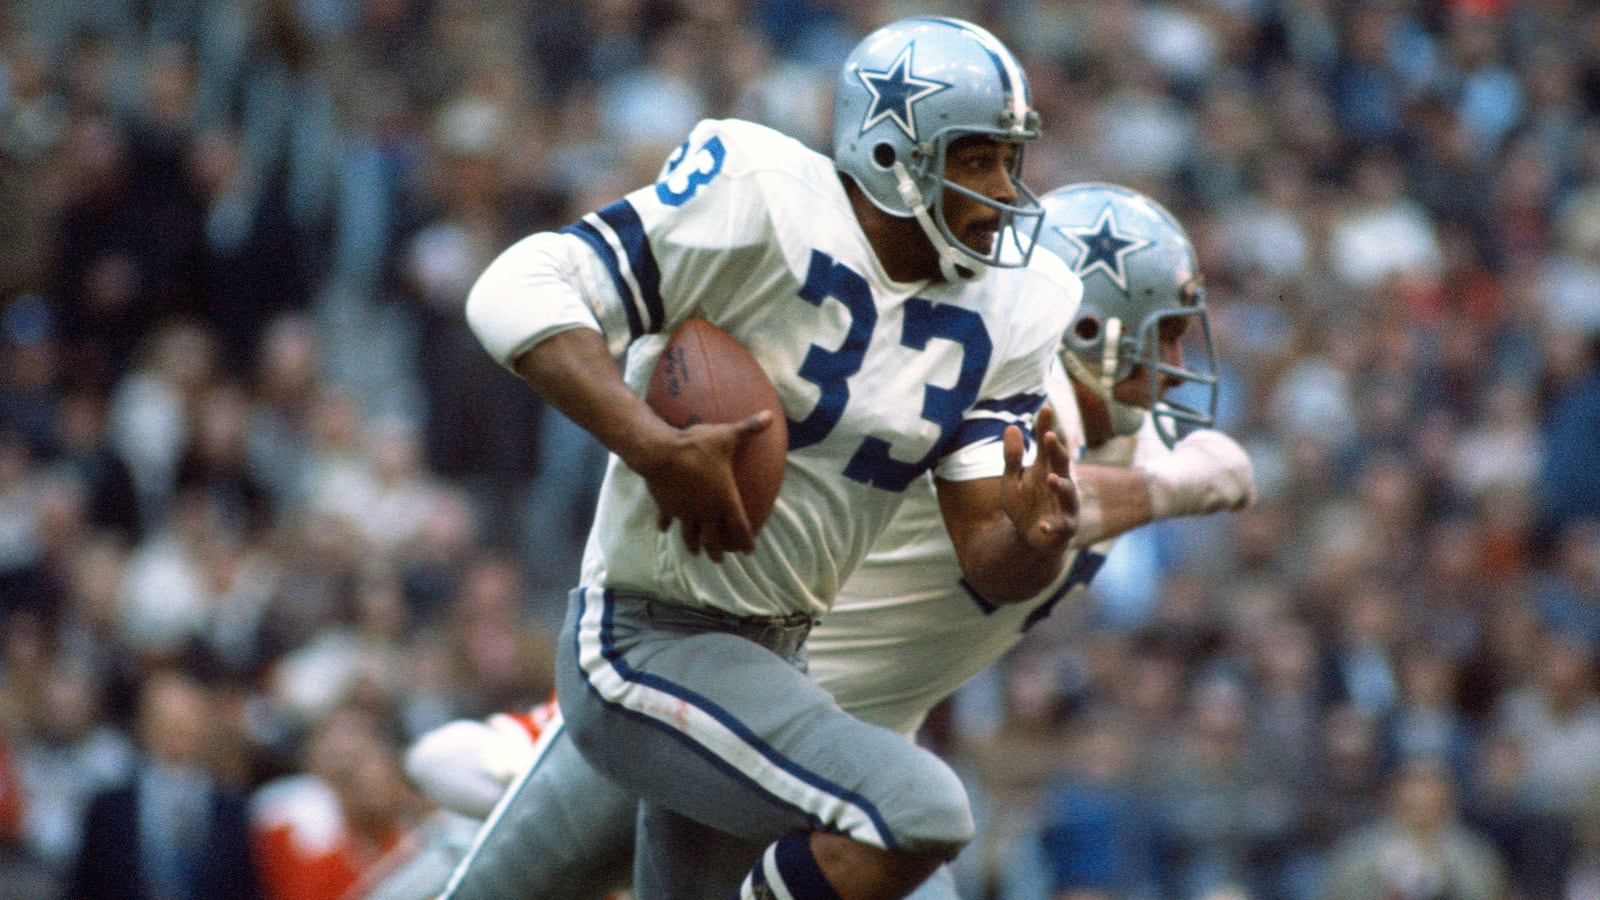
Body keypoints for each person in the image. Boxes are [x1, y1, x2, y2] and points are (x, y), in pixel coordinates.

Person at [387, 181, 1253, 900]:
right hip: (735, 712)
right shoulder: (1008, 397)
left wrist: (1191, 477)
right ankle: (504, 775)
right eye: (1166, 332)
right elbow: (1068, 495)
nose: (1179, 360)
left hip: (848, 761)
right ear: (1094, 325)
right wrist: (1173, 488)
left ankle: (517, 757)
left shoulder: (1118, 441)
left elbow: (1219, 465)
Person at [461, 16, 1083, 899]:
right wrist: (651, 444)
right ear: (888, 153)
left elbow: (988, 558)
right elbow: (513, 287)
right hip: (649, 635)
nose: (1003, 190)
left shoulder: (1018, 305)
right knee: (920, 809)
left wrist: (1039, 541)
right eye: (975, 159)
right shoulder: (761, 196)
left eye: (1010, 160)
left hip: (778, 664)